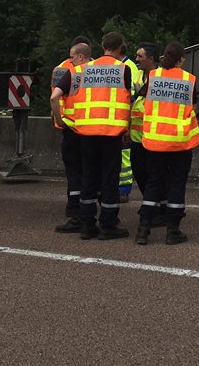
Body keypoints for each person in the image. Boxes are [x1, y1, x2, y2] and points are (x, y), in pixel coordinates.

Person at [135, 41, 199, 246]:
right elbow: (190, 104)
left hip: (155, 140)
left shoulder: (153, 77)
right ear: (181, 59)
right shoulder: (189, 80)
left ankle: (143, 230)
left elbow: (141, 97)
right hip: (180, 141)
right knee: (176, 184)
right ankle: (173, 231)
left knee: (154, 182)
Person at [69, 31, 133, 240]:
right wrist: (127, 129)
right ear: (119, 47)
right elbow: (127, 101)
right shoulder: (123, 69)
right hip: (111, 132)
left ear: (102, 45)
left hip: (87, 132)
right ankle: (107, 223)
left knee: (88, 176)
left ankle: (87, 224)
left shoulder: (83, 69)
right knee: (109, 178)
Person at [49, 37, 92, 233]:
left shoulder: (60, 69)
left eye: (73, 56)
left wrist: (60, 120)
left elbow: (54, 96)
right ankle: (88, 211)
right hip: (89, 127)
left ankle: (73, 209)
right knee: (87, 171)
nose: (70, 58)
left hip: (69, 126)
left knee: (73, 171)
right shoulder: (95, 71)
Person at [130, 41, 159, 197]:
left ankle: (154, 204)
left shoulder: (161, 77)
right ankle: (149, 199)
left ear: (152, 59)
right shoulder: (137, 75)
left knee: (154, 173)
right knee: (138, 170)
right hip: (137, 136)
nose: (137, 59)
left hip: (154, 135)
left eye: (140, 56)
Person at [116, 43, 141, 203]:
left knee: (125, 156)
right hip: (124, 119)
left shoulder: (127, 67)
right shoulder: (129, 66)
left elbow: (130, 98)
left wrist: (127, 125)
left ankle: (124, 190)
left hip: (126, 120)